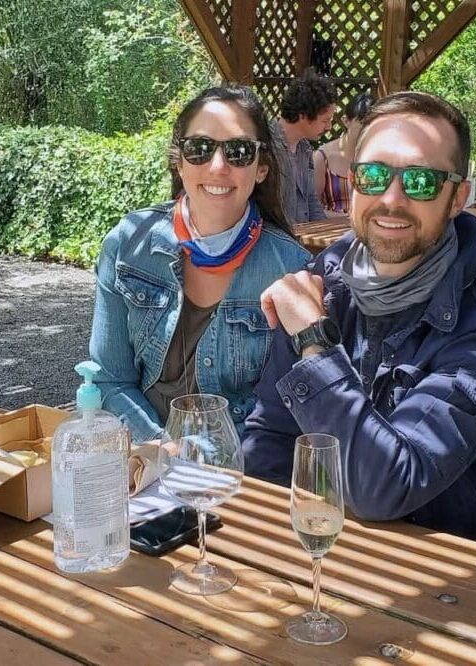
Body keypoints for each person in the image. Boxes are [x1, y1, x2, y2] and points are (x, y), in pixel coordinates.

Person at [242, 91, 476, 551]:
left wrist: (315, 343)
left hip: (448, 572)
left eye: (420, 181)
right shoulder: (323, 283)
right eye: (373, 175)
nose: (391, 199)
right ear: (353, 184)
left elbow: (386, 488)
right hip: (327, 547)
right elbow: (271, 439)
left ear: (458, 197)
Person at [89, 85, 311, 443]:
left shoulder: (292, 269)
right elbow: (110, 380)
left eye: (238, 152)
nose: (218, 166)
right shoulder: (128, 244)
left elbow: (284, 413)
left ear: (261, 169)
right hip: (141, 459)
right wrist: (161, 451)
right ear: (179, 161)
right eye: (200, 149)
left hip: (237, 471)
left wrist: (206, 464)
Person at [273, 68, 337, 225]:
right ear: (303, 114)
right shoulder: (266, 146)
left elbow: (311, 201)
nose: (329, 127)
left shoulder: (304, 148)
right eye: (325, 120)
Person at [313, 92, 374, 217]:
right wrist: (349, 220)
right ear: (346, 121)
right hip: (331, 231)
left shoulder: (379, 157)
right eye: (363, 123)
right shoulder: (322, 157)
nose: (369, 130)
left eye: (373, 124)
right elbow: (313, 209)